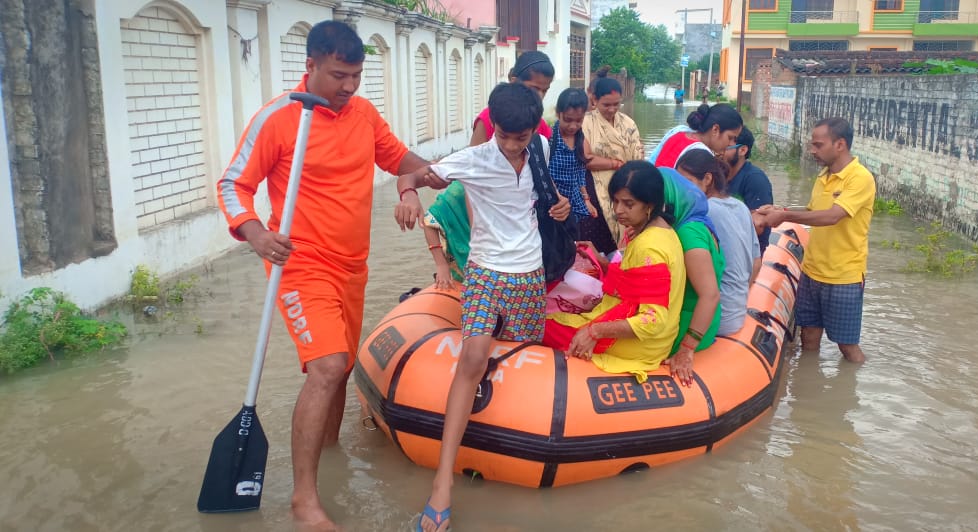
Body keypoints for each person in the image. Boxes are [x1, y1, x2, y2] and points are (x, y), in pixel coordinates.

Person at [215, 20, 445, 530]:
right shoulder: (280, 118)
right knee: (327, 366)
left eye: (357, 76)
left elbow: (396, 158)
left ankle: (331, 453)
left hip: (353, 265)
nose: (348, 86)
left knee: (339, 371)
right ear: (312, 65)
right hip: (300, 262)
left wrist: (428, 172)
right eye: (339, 75)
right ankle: (304, 500)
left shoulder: (362, 114)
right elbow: (233, 184)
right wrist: (254, 232)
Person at [394, 82, 569, 532]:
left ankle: (515, 464)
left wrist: (562, 209)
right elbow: (411, 174)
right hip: (486, 269)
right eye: (506, 136)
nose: (513, 146)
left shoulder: (543, 149)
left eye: (521, 137)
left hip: (530, 273)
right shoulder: (474, 159)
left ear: (534, 129)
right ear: (494, 127)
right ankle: (442, 485)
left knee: (525, 356)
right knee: (473, 356)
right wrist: (409, 194)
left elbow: (546, 201)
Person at [544, 161, 686, 382]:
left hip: (641, 345)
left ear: (649, 204)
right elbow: (637, 282)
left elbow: (653, 320)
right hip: (658, 340)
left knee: (542, 325)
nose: (618, 210)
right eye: (616, 201)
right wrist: (601, 262)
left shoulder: (649, 246)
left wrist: (595, 332)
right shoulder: (663, 230)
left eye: (628, 204)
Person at [757, 117, 875, 363]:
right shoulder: (824, 176)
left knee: (847, 346)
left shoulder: (859, 178)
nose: (812, 150)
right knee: (808, 337)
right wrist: (781, 209)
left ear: (840, 144)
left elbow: (833, 216)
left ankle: (850, 391)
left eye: (818, 145)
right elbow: (813, 211)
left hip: (843, 276)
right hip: (811, 272)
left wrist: (786, 215)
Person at [676, 150, 760, 336]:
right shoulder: (741, 207)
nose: (681, 191)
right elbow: (756, 262)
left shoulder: (703, 212)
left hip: (716, 319)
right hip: (736, 314)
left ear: (707, 179)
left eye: (686, 183)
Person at [658, 166, 724, 387]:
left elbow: (710, 294)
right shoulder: (697, 222)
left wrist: (687, 348)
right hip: (692, 318)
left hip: (688, 327)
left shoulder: (688, 233)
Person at [584, 70, 644, 246]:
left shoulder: (628, 123)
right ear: (594, 100)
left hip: (628, 184)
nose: (611, 109)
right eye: (606, 105)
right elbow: (586, 159)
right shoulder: (585, 123)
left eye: (616, 104)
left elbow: (638, 155)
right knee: (602, 240)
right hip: (597, 187)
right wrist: (616, 164)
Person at [550, 88, 609, 240]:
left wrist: (586, 200)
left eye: (578, 121)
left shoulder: (580, 140)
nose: (573, 126)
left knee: (575, 242)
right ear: (558, 113)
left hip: (575, 202)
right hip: (554, 206)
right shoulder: (549, 140)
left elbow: (580, 172)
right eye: (568, 120)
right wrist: (557, 197)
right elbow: (544, 174)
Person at [469, 51, 555, 146]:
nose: (540, 96)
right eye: (534, 89)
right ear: (514, 82)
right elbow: (473, 157)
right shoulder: (489, 118)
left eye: (544, 91)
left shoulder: (539, 124)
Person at [725, 127, 775, 252]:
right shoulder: (718, 175)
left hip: (747, 252)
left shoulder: (755, 180)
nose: (718, 152)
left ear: (742, 150)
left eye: (725, 148)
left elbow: (759, 226)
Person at [650, 103, 743, 169]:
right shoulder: (702, 154)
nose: (731, 144)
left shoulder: (679, 134)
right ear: (715, 129)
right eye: (730, 137)